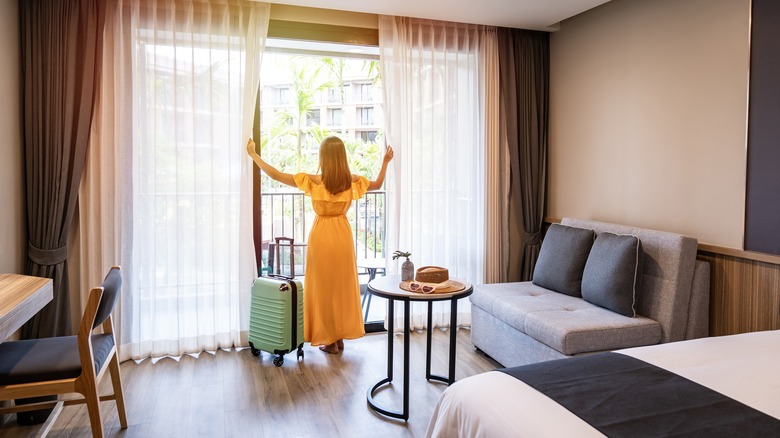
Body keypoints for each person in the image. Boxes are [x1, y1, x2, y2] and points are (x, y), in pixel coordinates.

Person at [247, 136, 394, 354]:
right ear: (342, 158)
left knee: (323, 290)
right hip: (343, 236)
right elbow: (378, 183)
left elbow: (276, 174)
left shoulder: (315, 181)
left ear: (323, 158)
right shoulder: (351, 181)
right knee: (341, 288)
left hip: (322, 236)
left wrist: (253, 155)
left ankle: (330, 341)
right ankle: (339, 337)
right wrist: (385, 161)